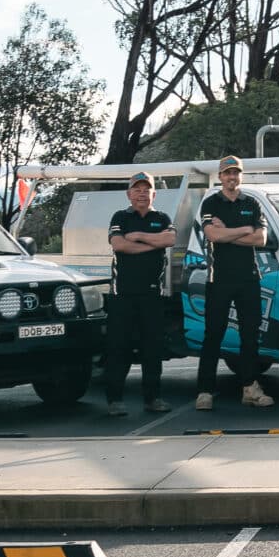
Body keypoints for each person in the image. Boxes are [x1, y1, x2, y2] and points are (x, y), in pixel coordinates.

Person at [194, 155, 274, 413]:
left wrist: (228, 231)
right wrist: (242, 230)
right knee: (213, 335)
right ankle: (204, 391)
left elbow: (260, 239)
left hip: (249, 278)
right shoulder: (211, 202)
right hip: (219, 279)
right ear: (220, 176)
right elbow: (212, 235)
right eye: (227, 173)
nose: (232, 177)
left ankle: (250, 389)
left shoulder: (252, 203)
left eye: (236, 173)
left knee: (249, 336)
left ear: (241, 175)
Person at [103, 173, 174, 419]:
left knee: (152, 349)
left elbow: (170, 238)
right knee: (118, 348)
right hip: (122, 295)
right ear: (129, 194)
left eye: (147, 189)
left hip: (152, 295)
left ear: (154, 194)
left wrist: (139, 237)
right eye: (137, 189)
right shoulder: (120, 217)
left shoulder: (162, 218)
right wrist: (153, 245)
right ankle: (115, 400)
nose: (142, 193)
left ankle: (153, 398)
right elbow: (119, 245)